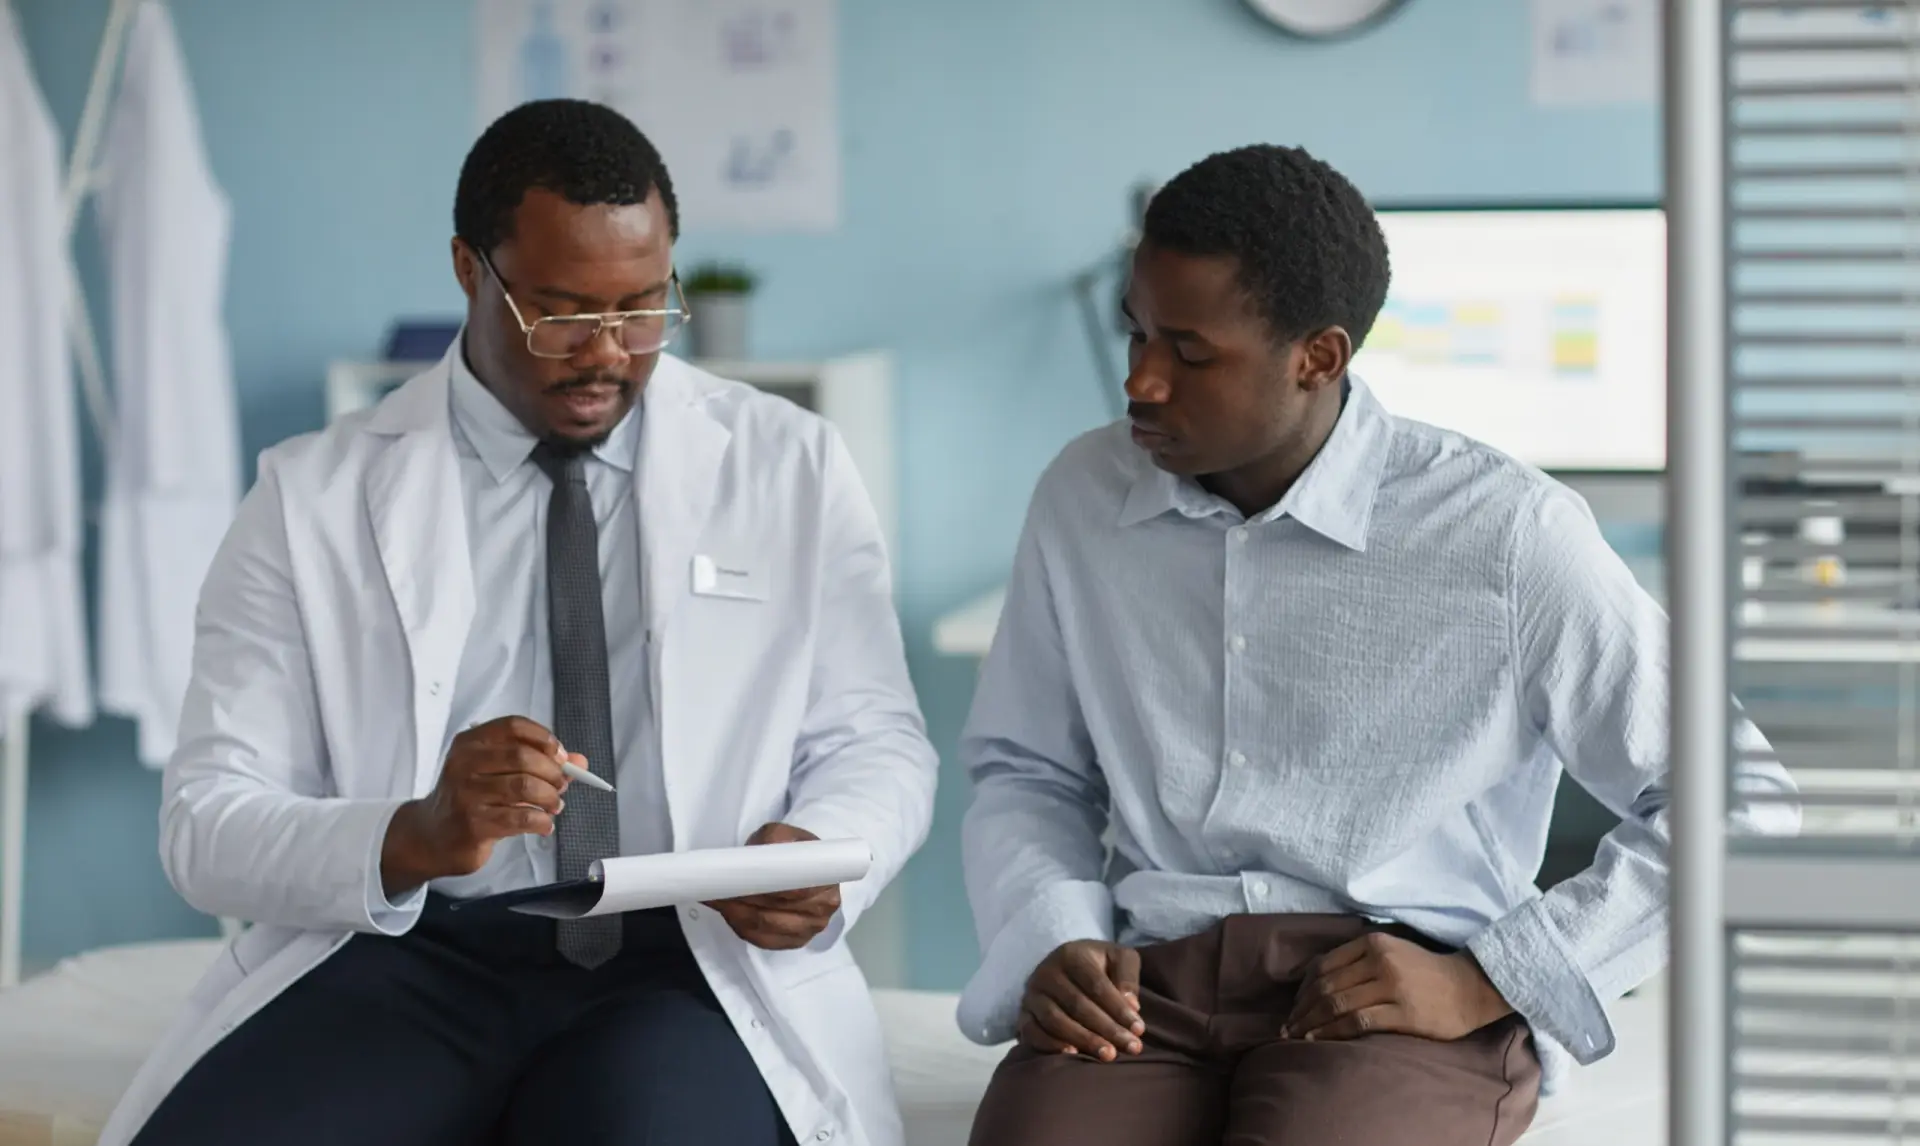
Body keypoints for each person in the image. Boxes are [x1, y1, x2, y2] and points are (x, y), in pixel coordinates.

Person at [98, 99, 937, 1146]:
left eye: (641, 309)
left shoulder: (788, 464)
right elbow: (205, 826)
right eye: (561, 311)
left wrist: (818, 851)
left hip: (681, 972)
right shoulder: (308, 497)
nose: (609, 355)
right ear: (468, 267)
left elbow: (878, 741)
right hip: (412, 959)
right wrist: (415, 833)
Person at [955, 144, 1798, 1146]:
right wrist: (1056, 933)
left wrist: (1494, 977)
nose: (1140, 380)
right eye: (1135, 332)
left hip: (1393, 991)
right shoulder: (1081, 497)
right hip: (1154, 980)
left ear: (1318, 356)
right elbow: (1027, 770)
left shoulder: (1507, 531)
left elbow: (1739, 800)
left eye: (1188, 352)